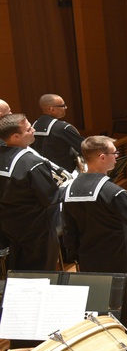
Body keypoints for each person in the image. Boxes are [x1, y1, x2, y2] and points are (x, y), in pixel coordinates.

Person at [61, 136, 127, 336]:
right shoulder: (113, 192)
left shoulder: (70, 189)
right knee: (125, 312)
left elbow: (68, 229)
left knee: (97, 311)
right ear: (101, 157)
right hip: (117, 263)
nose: (116, 157)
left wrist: (76, 256)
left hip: (87, 262)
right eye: (113, 153)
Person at [0, 114, 61, 271]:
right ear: (15, 136)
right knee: (42, 273)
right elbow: (50, 198)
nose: (33, 130)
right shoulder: (32, 163)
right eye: (28, 129)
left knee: (19, 271)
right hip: (37, 230)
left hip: (10, 226)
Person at [31, 93, 84, 173]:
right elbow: (85, 147)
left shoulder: (33, 126)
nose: (66, 107)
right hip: (65, 174)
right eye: (63, 105)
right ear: (52, 109)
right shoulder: (62, 128)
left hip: (43, 173)